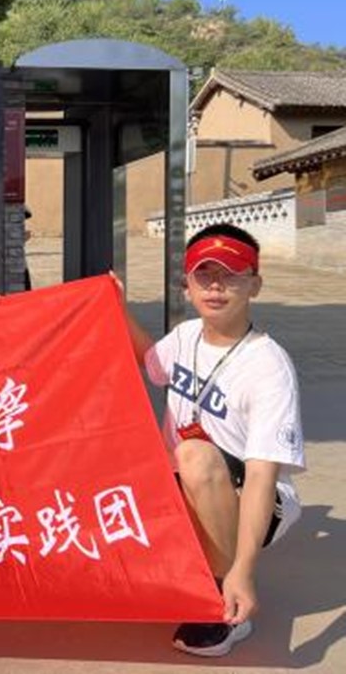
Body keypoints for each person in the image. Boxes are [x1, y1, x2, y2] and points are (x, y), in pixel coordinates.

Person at [119, 223, 304, 657]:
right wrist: (114, 305)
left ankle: (222, 598)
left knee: (193, 455)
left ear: (254, 285)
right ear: (187, 286)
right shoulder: (186, 336)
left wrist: (244, 570)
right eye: (204, 274)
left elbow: (261, 474)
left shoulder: (268, 366)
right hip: (190, 481)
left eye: (231, 274)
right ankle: (194, 566)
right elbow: (149, 362)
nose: (216, 286)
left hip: (254, 495)